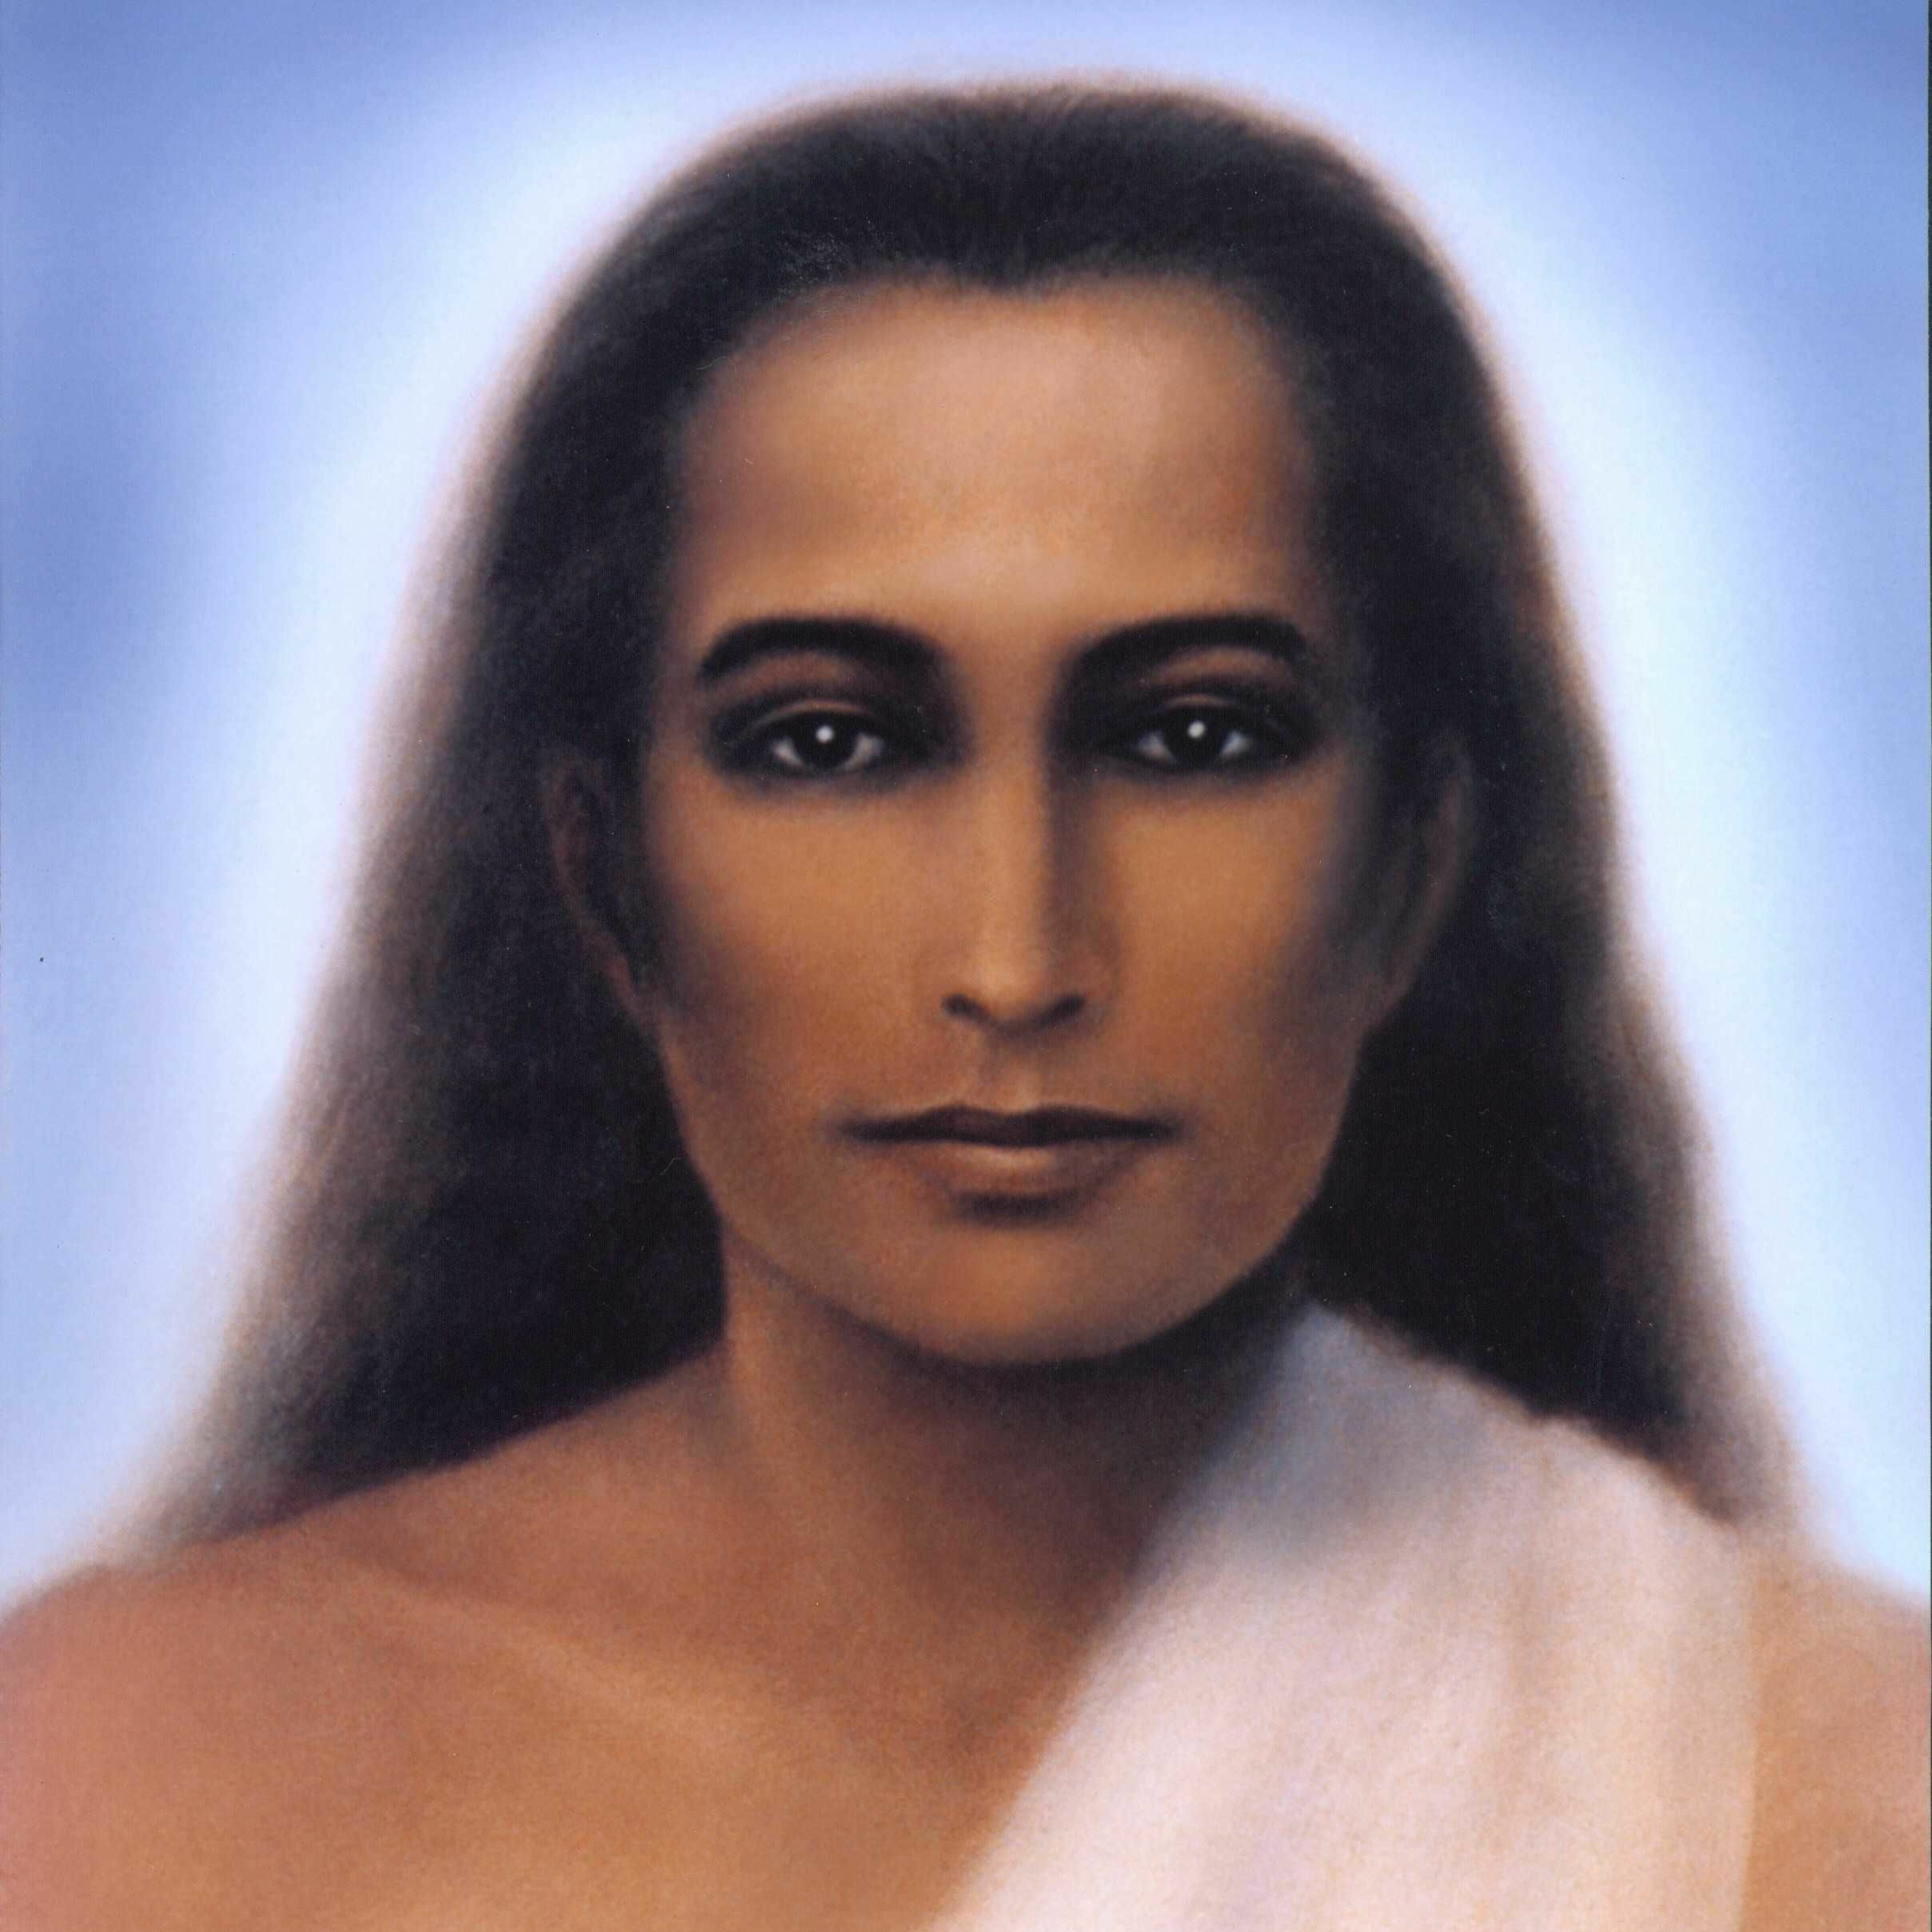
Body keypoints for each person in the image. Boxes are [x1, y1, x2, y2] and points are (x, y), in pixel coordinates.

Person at [1, 83, 1922, 1930]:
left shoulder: (1828, 1780)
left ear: (1413, 863)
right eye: (830, 742)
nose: (1016, 959)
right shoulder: (129, 1766)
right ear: (606, 876)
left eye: (1193, 738)